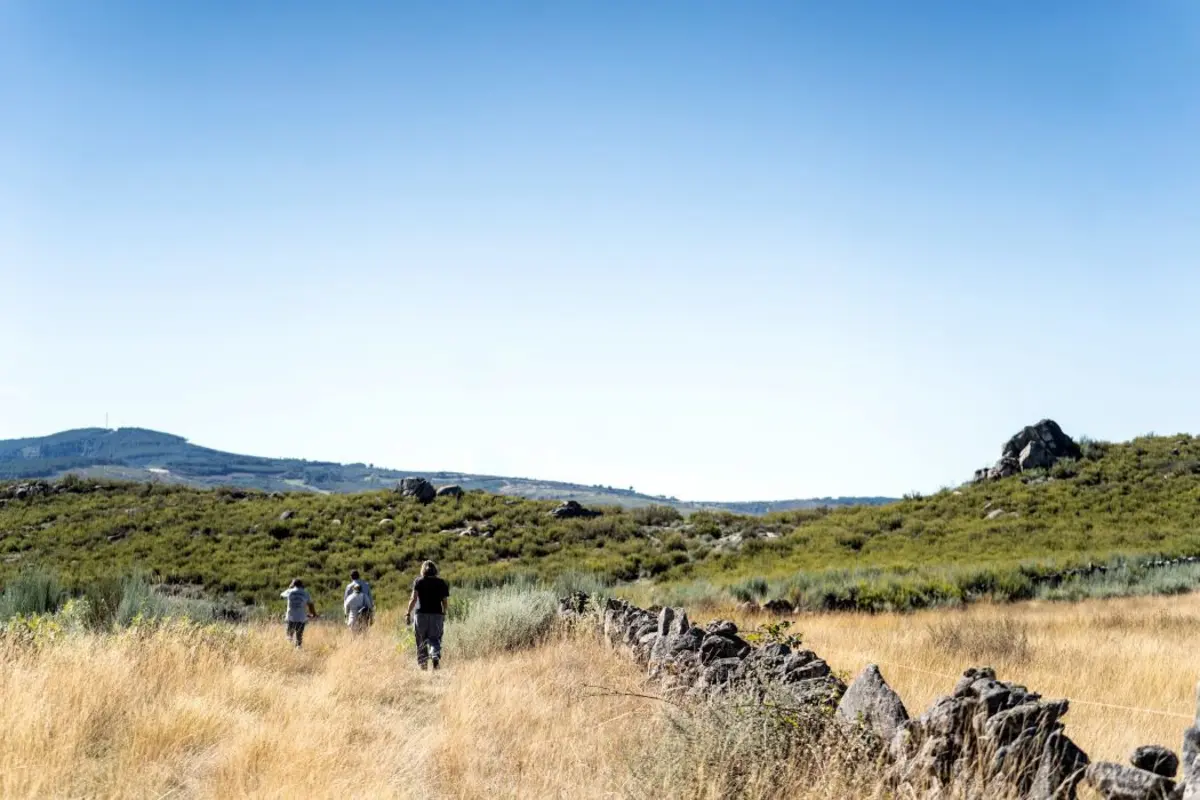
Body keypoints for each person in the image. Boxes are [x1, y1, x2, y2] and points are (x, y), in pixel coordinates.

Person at [405, 560, 449, 670]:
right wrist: (444, 613)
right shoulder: (441, 582)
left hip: (420, 615)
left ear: (423, 570)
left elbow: (413, 599)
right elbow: (444, 601)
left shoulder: (418, 581)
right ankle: (435, 655)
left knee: (421, 640)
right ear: (435, 570)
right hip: (436, 614)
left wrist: (408, 613)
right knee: (435, 639)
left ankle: (423, 665)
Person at [280, 578, 318, 648]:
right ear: (301, 585)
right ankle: (298, 649)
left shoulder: (289, 591)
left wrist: (290, 587)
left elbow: (281, 595)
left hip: (290, 617)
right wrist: (314, 614)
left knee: (289, 636)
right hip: (301, 618)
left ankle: (288, 650)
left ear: (293, 584)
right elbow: (311, 605)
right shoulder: (305, 593)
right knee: (299, 637)